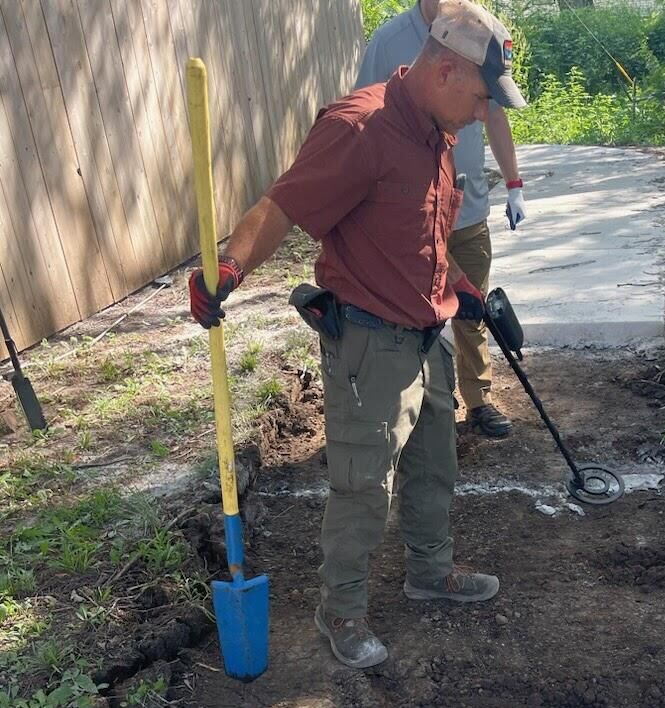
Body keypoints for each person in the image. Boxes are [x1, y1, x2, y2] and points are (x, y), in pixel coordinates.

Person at [188, 0, 525, 670]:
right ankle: (340, 612)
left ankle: (430, 573)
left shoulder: (437, 128)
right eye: (485, 95)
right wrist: (227, 267)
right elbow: (282, 205)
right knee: (362, 485)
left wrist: (464, 290)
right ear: (446, 71)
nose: (487, 110)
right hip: (370, 343)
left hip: (428, 331)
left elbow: (424, 231)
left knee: (435, 464)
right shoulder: (359, 127)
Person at [355, 0, 527, 439]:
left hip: (466, 208)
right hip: (411, 212)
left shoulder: (484, 29)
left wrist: (513, 183)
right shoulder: (388, 42)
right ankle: (424, 399)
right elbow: (364, 116)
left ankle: (479, 398)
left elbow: (496, 112)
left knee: (472, 306)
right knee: (416, 309)